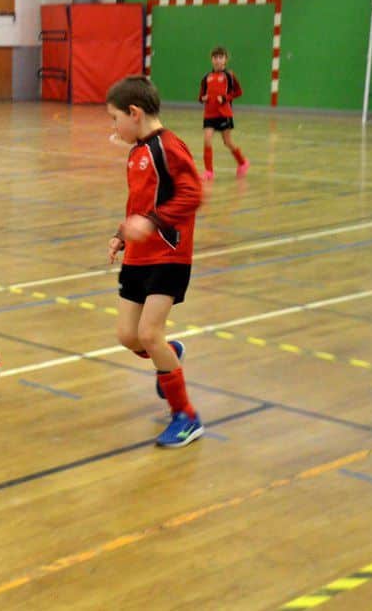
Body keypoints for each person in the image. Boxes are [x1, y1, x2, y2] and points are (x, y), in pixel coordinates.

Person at [106, 75, 204, 448]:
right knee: (127, 336)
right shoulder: (137, 153)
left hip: (169, 255)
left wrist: (151, 223)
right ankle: (169, 357)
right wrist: (121, 232)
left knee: (149, 333)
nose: (113, 128)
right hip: (138, 257)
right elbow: (138, 204)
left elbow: (192, 194)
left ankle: (187, 417)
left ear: (134, 113)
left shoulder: (170, 147)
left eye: (115, 119)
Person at [197, 46, 248, 181]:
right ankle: (209, 172)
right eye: (215, 57)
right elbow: (200, 96)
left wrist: (225, 98)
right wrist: (203, 98)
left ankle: (242, 162)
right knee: (207, 139)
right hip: (209, 114)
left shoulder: (229, 76)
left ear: (225, 60)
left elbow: (238, 92)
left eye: (221, 57)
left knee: (227, 142)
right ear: (211, 60)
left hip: (224, 114)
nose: (218, 60)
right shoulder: (206, 77)